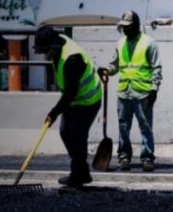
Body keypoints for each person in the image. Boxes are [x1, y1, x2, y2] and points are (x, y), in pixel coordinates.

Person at [34, 26, 103, 188]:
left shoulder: (72, 59)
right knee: (65, 132)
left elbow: (71, 92)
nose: (44, 54)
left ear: (53, 46)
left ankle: (77, 178)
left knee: (78, 137)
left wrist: (53, 113)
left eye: (45, 50)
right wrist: (56, 112)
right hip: (74, 100)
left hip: (88, 100)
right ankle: (82, 172)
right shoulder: (58, 48)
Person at [98, 11, 162, 171]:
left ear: (136, 25)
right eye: (123, 27)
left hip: (143, 93)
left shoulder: (149, 43)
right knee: (123, 127)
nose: (125, 29)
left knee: (145, 127)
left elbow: (156, 68)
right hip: (124, 92)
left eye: (128, 27)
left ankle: (147, 158)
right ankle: (124, 157)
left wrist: (154, 89)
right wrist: (106, 71)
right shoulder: (120, 43)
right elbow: (114, 66)